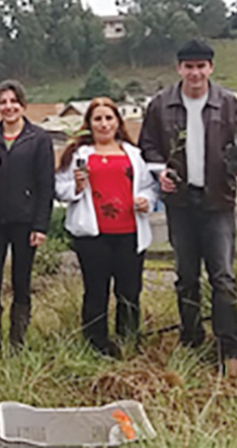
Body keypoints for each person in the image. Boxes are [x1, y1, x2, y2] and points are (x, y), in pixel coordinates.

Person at [139, 38, 237, 377]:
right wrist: (161, 172)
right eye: (188, 66)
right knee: (186, 277)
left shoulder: (229, 103)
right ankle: (191, 340)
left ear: (211, 68)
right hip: (180, 202)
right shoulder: (160, 105)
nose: (195, 73)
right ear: (179, 68)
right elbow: (148, 146)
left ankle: (229, 347)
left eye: (201, 66)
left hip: (218, 200)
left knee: (223, 277)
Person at [56, 98, 157, 357]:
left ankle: (128, 342)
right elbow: (59, 187)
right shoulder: (78, 155)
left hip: (130, 233)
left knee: (129, 291)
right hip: (93, 235)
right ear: (89, 123)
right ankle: (95, 345)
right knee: (96, 291)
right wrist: (77, 188)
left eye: (108, 118)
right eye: (97, 119)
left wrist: (147, 201)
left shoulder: (133, 155)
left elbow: (149, 186)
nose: (103, 124)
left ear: (117, 122)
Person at [0, 80, 54, 357]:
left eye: (13, 101)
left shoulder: (39, 138)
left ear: (23, 105)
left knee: (22, 281)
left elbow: (47, 185)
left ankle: (17, 343)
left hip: (25, 221)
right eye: (3, 102)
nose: (8, 107)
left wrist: (41, 225)